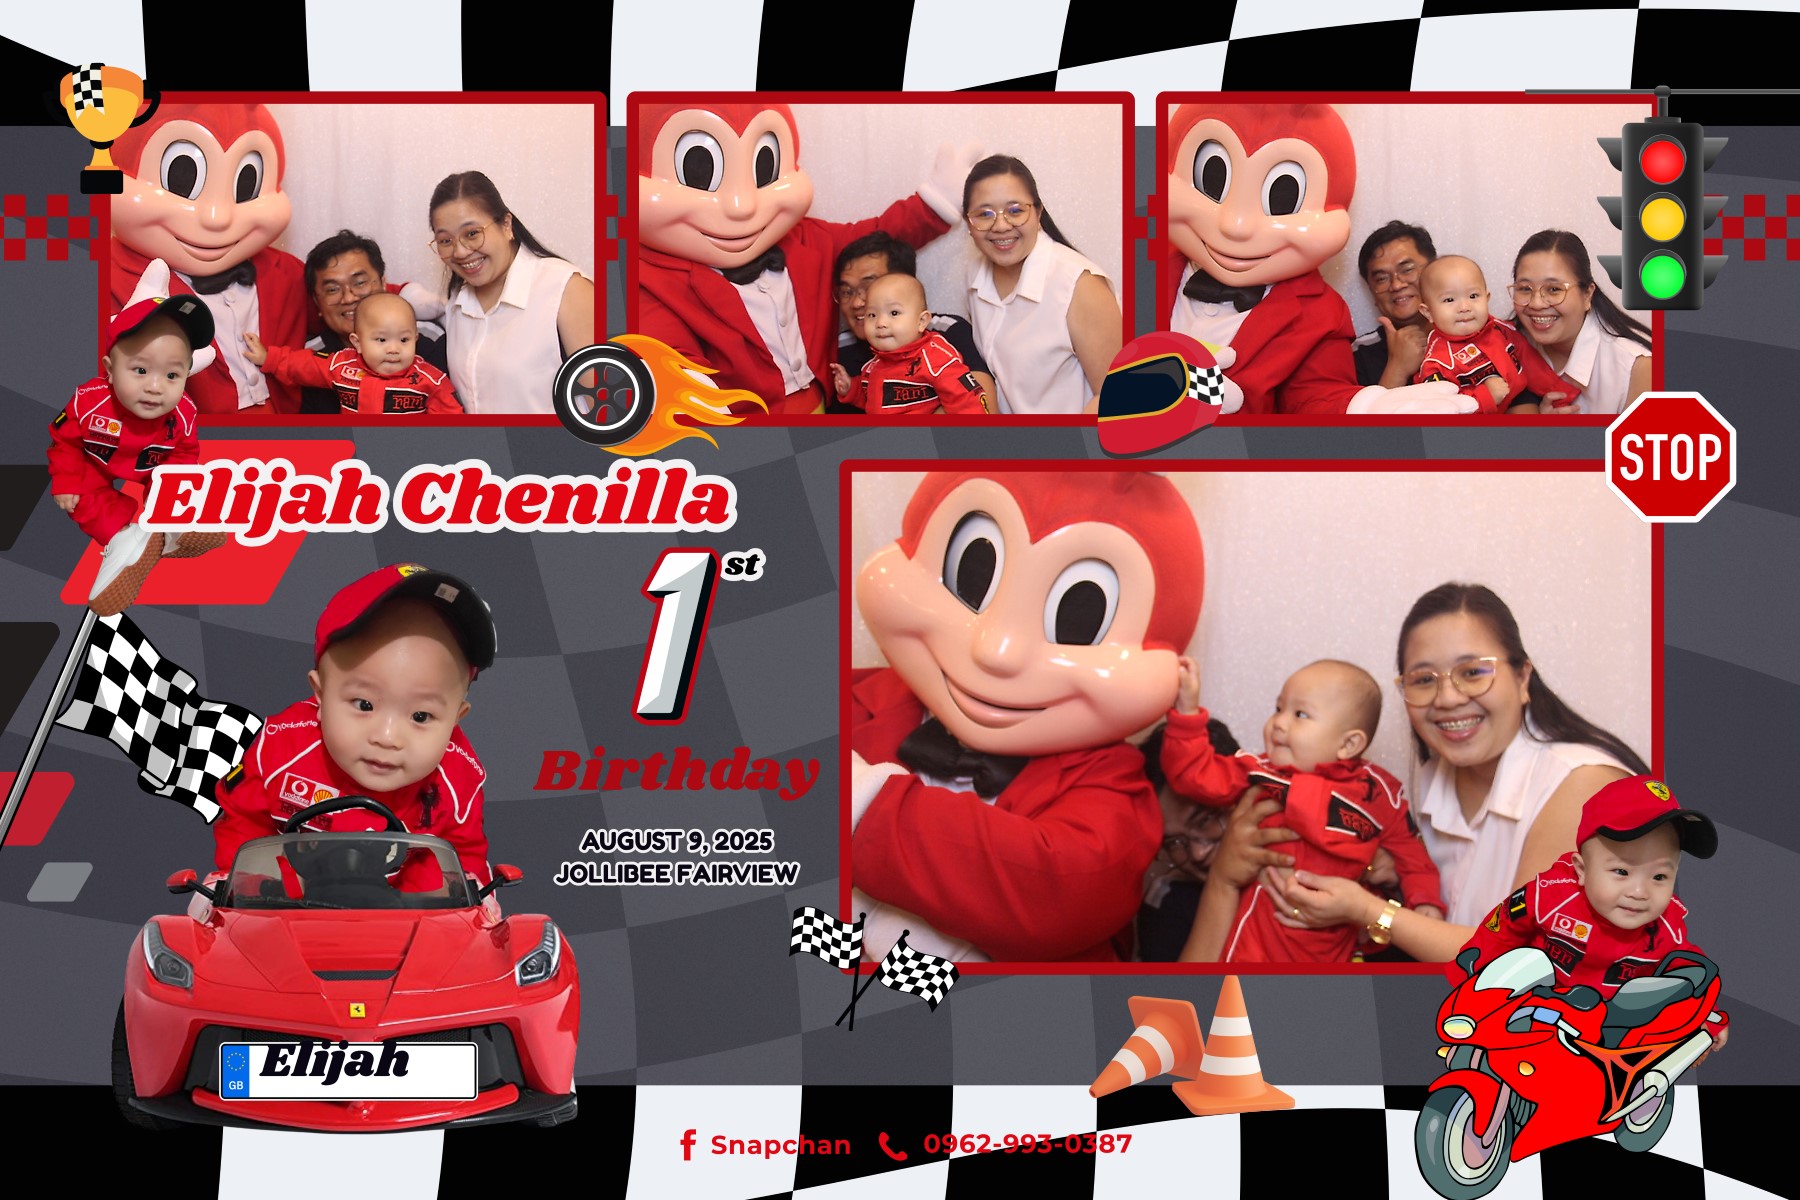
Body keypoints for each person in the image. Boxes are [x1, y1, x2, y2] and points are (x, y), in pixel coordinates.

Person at [1187, 583, 1649, 963]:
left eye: (1473, 672)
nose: (1446, 698)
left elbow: (1522, 959)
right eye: (1423, 680)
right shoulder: (1431, 782)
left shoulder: (1584, 785)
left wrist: (1367, 910)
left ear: (1523, 679)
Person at [850, 471, 1203, 962]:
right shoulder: (843, 697)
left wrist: (861, 799)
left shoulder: (1114, 788)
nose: (997, 652)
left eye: (1080, 615)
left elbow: (1062, 893)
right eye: (973, 574)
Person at [635, 103, 974, 413]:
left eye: (763, 165)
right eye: (699, 171)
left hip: (822, 407)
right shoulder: (649, 278)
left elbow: (878, 240)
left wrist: (936, 203)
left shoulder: (810, 240)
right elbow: (670, 363)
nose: (741, 207)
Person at [210, 564, 499, 891]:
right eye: (364, 705)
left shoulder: (459, 778)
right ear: (320, 695)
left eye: (421, 716)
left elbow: (463, 861)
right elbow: (243, 822)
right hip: (291, 913)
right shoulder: (279, 748)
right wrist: (261, 888)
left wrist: (428, 909)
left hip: (403, 925)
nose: (387, 737)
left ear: (456, 719)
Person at [1163, 657, 1442, 962]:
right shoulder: (1260, 771)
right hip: (1259, 942)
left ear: (1348, 744)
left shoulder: (1378, 793)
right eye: (1278, 709)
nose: (1279, 722)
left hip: (1334, 944)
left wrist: (1426, 904)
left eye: (1300, 714)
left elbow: (1412, 857)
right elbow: (1195, 775)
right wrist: (1187, 714)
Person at [108, 103, 308, 415]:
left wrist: (401, 295)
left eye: (246, 183)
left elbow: (350, 301)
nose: (218, 218)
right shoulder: (101, 277)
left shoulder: (287, 272)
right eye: (182, 177)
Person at [1457, 775, 1719, 1005]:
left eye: (1659, 876)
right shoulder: (1550, 895)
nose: (1640, 892)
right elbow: (1500, 930)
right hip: (1534, 1006)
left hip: (1604, 1029)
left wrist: (1706, 1017)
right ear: (1581, 870)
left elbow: (1684, 972)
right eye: (1622, 872)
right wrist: (1469, 979)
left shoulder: (1666, 926)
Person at [48, 297, 229, 616]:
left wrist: (176, 489)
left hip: (152, 463)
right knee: (81, 497)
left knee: (175, 481)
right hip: (98, 460)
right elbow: (64, 440)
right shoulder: (89, 403)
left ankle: (174, 524)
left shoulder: (183, 413)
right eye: (141, 370)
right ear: (109, 369)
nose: (156, 387)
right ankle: (123, 537)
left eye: (173, 376)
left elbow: (185, 453)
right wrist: (64, 479)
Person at [963, 156, 1120, 415]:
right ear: (969, 224)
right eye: (984, 214)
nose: (1001, 226)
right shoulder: (974, 276)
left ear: (1038, 213)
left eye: (1015, 211)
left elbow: (1119, 394)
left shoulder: (1080, 285)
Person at [429, 171, 595, 416]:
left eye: (472, 233)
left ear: (506, 225)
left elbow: (607, 407)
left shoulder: (565, 289)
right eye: (445, 240)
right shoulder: (457, 303)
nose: (461, 252)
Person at [297, 230, 450, 415]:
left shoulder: (428, 338)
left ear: (383, 284)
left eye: (360, 282)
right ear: (316, 302)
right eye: (332, 289)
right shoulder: (310, 357)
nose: (348, 297)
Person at [831, 232, 994, 404]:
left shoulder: (947, 332)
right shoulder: (841, 349)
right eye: (846, 292)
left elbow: (983, 405)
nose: (856, 302)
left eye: (870, 287)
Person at [245, 292, 461, 416]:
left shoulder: (431, 380)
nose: (393, 349)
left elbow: (450, 422)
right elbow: (304, 365)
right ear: (357, 342)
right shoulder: (342, 365)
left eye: (404, 340)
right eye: (381, 340)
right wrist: (268, 358)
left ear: (415, 338)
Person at [1511, 229, 1653, 416]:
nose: (1536, 303)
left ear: (1587, 294)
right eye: (1525, 288)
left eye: (1554, 289)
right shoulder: (1506, 345)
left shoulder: (1638, 369)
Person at [1413, 256, 1574, 414]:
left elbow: (1530, 362)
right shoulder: (1436, 362)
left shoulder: (1501, 328)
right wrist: (1485, 396)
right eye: (1449, 300)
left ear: (1486, 298)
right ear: (1428, 313)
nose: (1464, 307)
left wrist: (1559, 394)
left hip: (1517, 396)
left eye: (1473, 296)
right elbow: (1442, 408)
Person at [829, 275, 989, 416]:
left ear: (921, 322)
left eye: (894, 313)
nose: (880, 323)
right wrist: (851, 388)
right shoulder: (873, 366)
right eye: (872, 315)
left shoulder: (934, 358)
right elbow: (873, 400)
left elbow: (968, 401)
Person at [1352, 221, 1436, 389]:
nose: (1396, 285)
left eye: (1407, 269)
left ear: (1434, 268)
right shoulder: (1359, 354)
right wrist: (1397, 368)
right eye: (1381, 278)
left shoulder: (1473, 331)